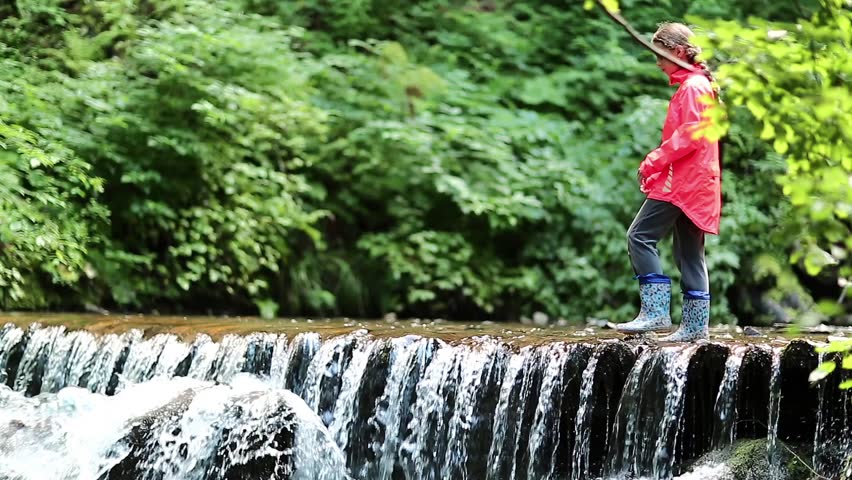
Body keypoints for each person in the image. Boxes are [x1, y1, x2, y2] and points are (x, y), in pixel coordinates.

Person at [615, 22, 722, 342]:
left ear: (676, 52)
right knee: (690, 253)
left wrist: (653, 161)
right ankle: (694, 329)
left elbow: (689, 136)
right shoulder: (701, 84)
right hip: (699, 182)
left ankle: (655, 314)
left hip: (684, 183)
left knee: (639, 236)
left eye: (659, 55)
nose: (658, 63)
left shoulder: (692, 87)